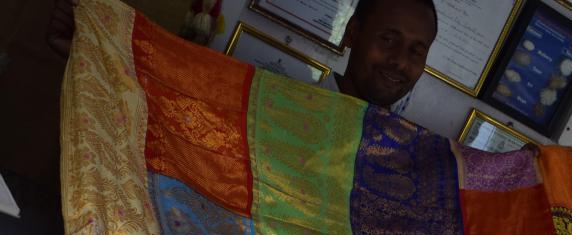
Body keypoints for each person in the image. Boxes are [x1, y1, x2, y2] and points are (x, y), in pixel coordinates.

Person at [47, 0, 438, 110]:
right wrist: (98, 50)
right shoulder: (278, 103)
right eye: (388, 40)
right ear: (352, 34)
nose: (400, 61)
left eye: (416, 50)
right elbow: (176, 96)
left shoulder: (414, 164)